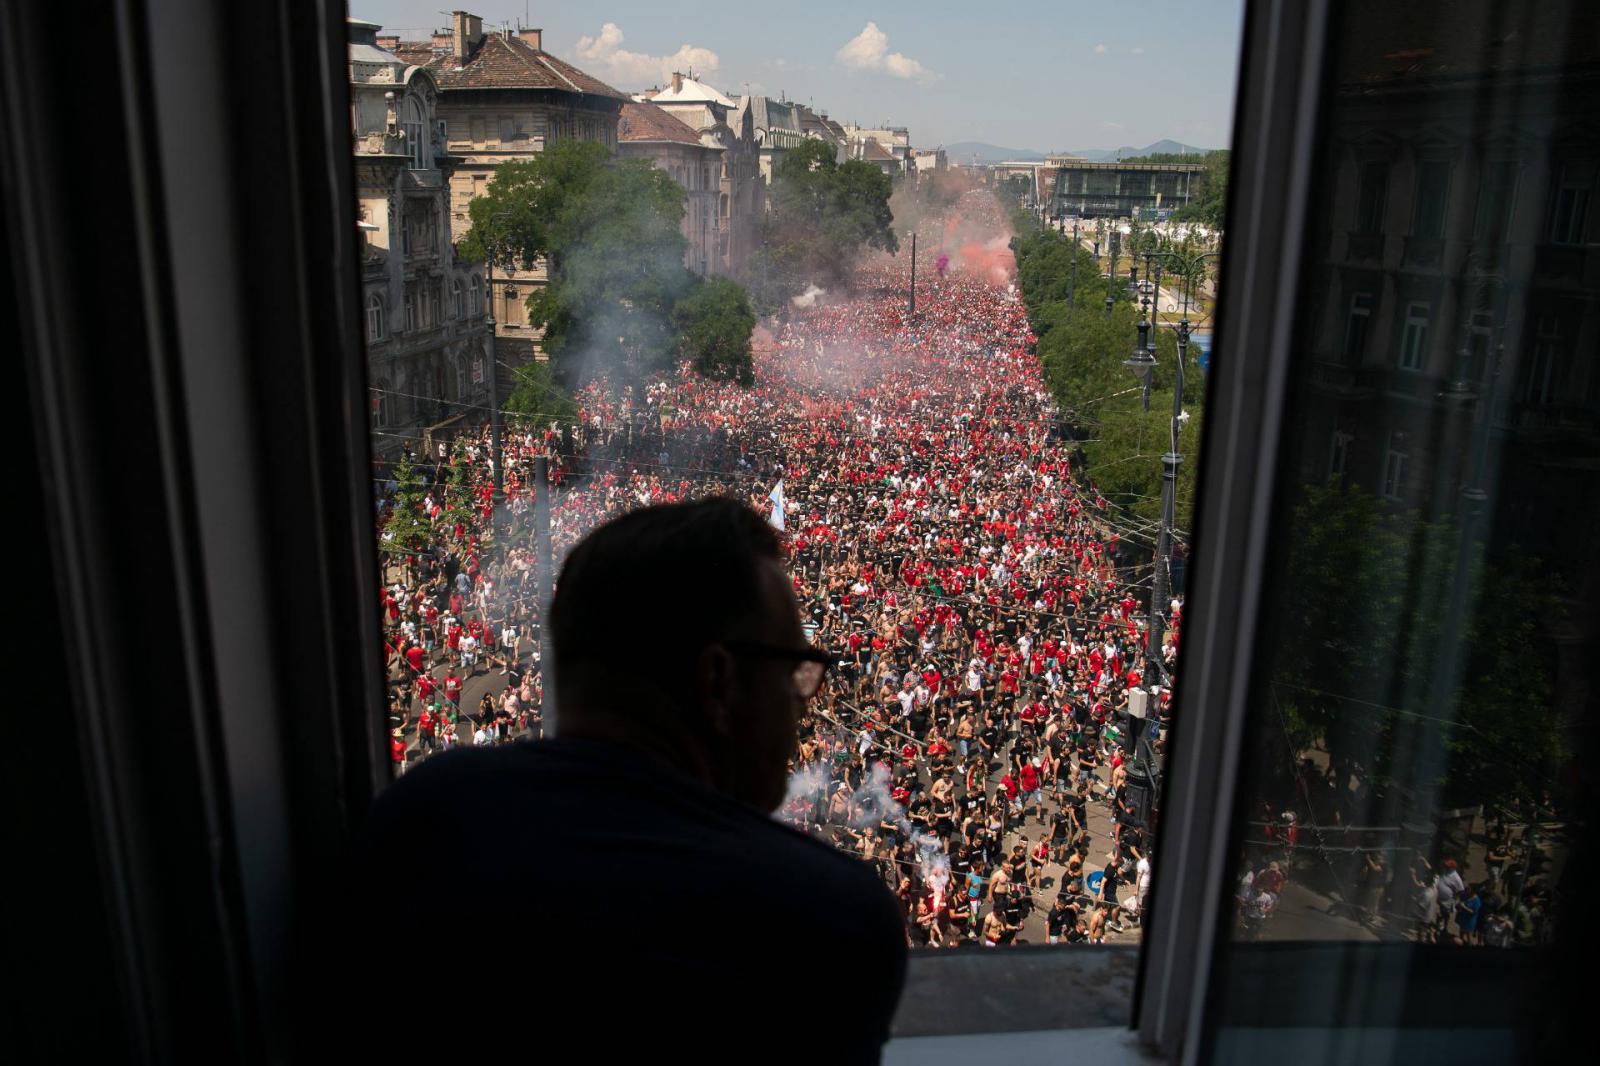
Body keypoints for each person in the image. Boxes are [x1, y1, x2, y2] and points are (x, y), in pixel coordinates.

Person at [321, 500, 907, 1060]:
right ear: (718, 681)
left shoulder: (413, 827)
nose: (803, 702)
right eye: (793, 671)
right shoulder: (821, 921)